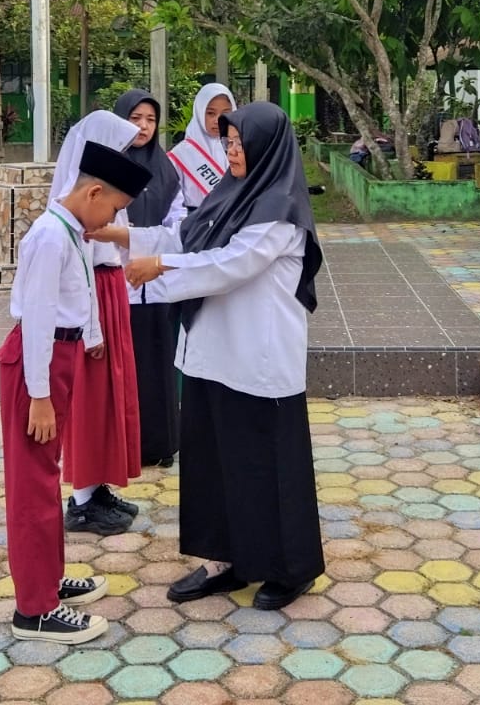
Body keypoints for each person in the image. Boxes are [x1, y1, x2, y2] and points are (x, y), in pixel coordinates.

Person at [121, 102, 326, 611]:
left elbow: (231, 264)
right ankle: (223, 560)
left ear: (266, 148)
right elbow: (189, 234)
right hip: (212, 353)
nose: (232, 151)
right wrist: (124, 235)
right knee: (215, 461)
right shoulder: (230, 193)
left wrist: (159, 266)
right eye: (228, 142)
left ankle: (288, 568)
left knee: (266, 465)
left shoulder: (279, 210)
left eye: (240, 144)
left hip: (257, 357)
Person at [3, 139, 150, 644]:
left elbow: (77, 292)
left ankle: (47, 581)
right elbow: (39, 316)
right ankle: (35, 610)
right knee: (35, 483)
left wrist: (89, 339)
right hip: (37, 364)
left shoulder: (69, 231)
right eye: (112, 208)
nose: (111, 219)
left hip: (57, 358)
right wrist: (39, 394)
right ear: (92, 192)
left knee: (47, 473)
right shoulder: (50, 236)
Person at [51, 111, 143, 537]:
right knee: (91, 398)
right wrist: (92, 327)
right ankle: (83, 500)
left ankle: (97, 486)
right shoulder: (82, 204)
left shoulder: (107, 195)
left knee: (110, 394)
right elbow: (79, 271)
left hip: (110, 294)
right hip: (93, 304)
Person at [112, 89, 186, 468]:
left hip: (157, 285)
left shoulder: (167, 168)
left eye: (150, 120)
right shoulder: (104, 164)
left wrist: (148, 244)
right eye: (135, 117)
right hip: (116, 283)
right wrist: (127, 243)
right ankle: (123, 446)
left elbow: (177, 226)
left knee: (158, 365)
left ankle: (161, 444)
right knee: (123, 369)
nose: (143, 126)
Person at [169, 84, 234, 209]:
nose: (217, 120)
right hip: (195, 222)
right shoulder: (181, 154)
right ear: (199, 113)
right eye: (210, 113)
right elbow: (173, 202)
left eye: (225, 113)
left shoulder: (242, 148)